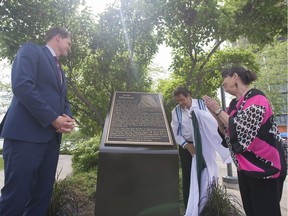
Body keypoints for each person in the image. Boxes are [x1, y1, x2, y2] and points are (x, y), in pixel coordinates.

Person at [0, 27, 75, 215]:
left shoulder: (60, 71)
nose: (69, 48)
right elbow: (22, 86)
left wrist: (67, 118)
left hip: (51, 141)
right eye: (69, 43)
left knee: (42, 196)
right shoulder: (30, 50)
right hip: (25, 138)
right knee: (17, 194)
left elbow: (63, 100)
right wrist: (52, 118)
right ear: (58, 37)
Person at [203, 66, 287, 216]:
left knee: (266, 212)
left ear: (235, 77)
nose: (223, 83)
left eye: (225, 78)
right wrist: (216, 115)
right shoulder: (234, 104)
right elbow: (227, 132)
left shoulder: (257, 98)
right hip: (245, 169)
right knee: (252, 211)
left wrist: (218, 110)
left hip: (266, 169)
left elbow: (242, 130)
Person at [171, 86, 231, 215]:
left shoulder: (203, 105)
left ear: (189, 96)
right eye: (178, 101)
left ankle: (208, 205)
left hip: (205, 146)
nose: (181, 103)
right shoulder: (175, 112)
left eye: (182, 99)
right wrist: (186, 145)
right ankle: (190, 207)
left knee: (207, 175)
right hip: (187, 147)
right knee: (188, 177)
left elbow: (215, 123)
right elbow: (175, 132)